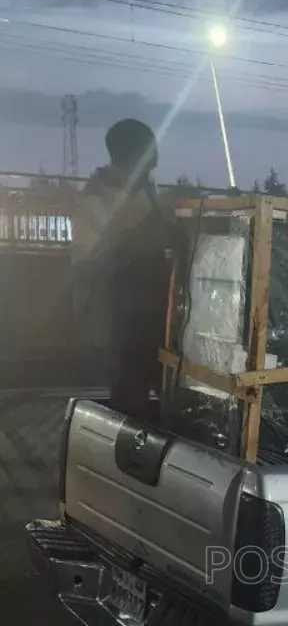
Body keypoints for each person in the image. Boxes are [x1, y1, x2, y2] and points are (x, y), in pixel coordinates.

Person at [73, 119, 172, 418]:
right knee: (131, 404)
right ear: (127, 159)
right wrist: (139, 240)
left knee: (173, 399)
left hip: (158, 320)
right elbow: (87, 267)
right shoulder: (92, 201)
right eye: (147, 164)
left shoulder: (148, 193)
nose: (150, 172)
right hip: (121, 326)